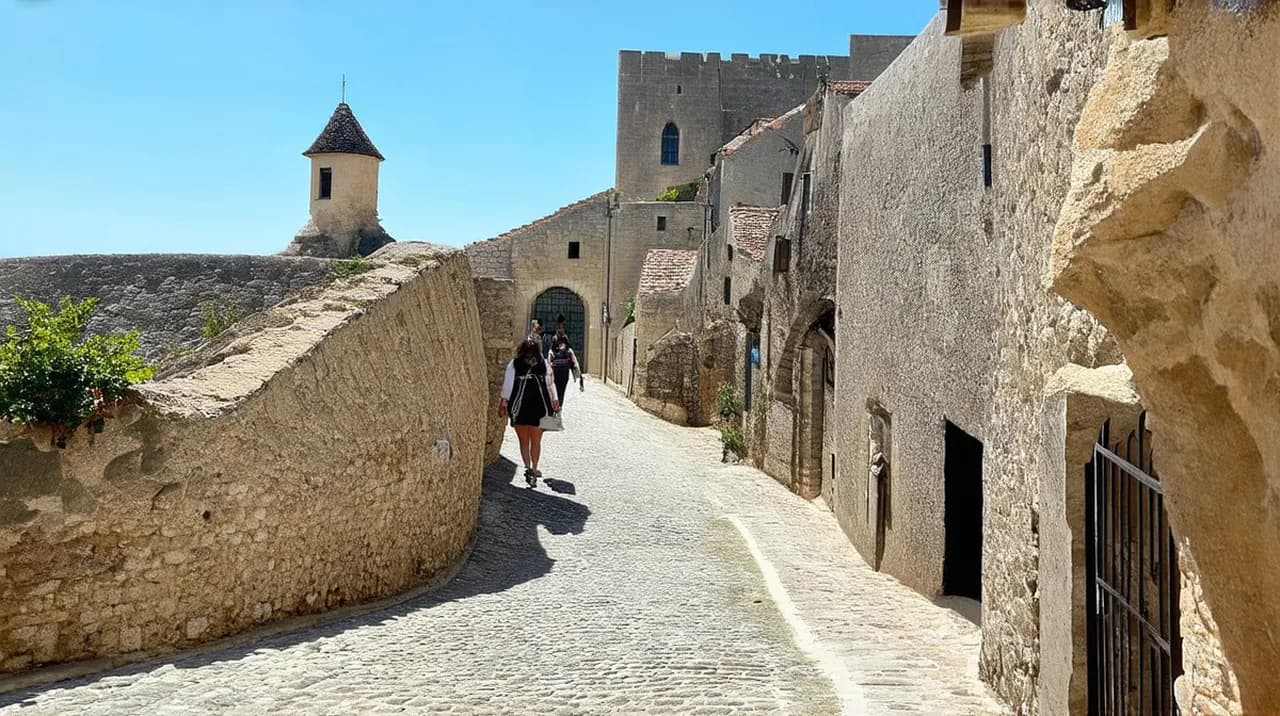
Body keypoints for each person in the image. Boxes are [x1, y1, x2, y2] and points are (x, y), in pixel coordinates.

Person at [499, 339, 560, 487]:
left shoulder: (514, 364)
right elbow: (550, 383)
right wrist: (555, 399)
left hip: (519, 406)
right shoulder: (543, 363)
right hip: (539, 406)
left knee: (524, 441)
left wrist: (503, 401)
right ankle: (534, 467)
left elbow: (508, 385)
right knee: (536, 440)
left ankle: (528, 467)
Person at [547, 333, 584, 407]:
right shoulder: (569, 350)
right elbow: (575, 363)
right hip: (565, 372)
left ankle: (555, 404)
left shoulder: (552, 350)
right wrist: (580, 379)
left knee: (555, 388)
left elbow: (549, 362)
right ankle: (560, 404)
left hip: (555, 372)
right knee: (562, 389)